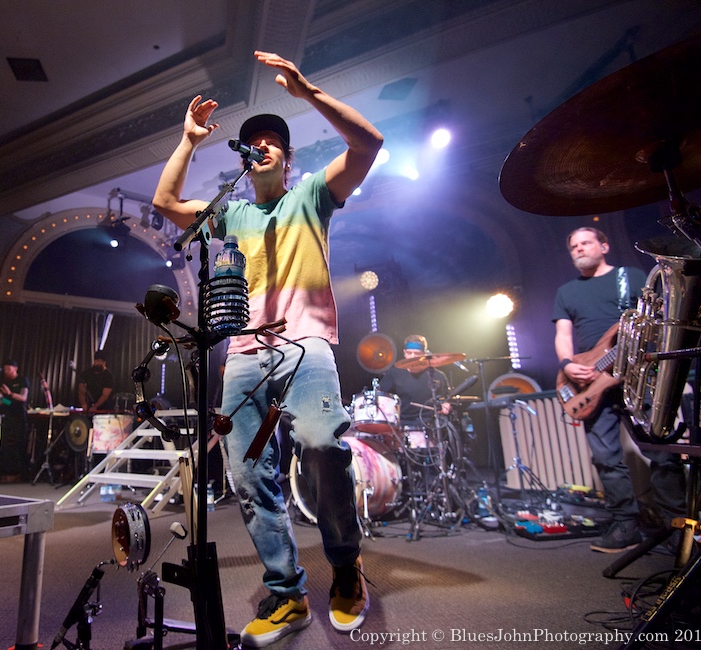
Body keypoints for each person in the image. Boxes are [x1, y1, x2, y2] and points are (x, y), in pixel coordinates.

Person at [152, 50, 383, 646]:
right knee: (248, 473)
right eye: (252, 140)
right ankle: (286, 595)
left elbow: (369, 144)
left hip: (307, 347)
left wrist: (308, 93)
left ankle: (346, 568)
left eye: (272, 141)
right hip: (246, 356)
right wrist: (187, 142)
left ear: (287, 155)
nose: (261, 146)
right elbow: (165, 206)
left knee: (320, 447)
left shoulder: (311, 196)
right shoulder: (230, 213)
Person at [553, 227, 685, 552]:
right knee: (606, 458)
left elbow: (654, 320)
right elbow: (563, 335)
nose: (579, 249)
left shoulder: (630, 276)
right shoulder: (566, 292)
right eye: (573, 246)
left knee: (661, 449)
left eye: (585, 242)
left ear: (604, 246)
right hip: (589, 381)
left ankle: (679, 527)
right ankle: (625, 526)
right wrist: (568, 365)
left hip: (638, 374)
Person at [380, 335, 452, 430]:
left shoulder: (437, 376)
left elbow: (447, 399)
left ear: (425, 354)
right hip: (402, 426)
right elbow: (381, 398)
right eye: (409, 353)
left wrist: (447, 404)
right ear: (404, 353)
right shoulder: (394, 374)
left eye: (417, 354)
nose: (412, 357)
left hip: (431, 425)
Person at [0, 359, 30, 481]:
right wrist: (0, 399)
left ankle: (22, 473)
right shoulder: (4, 382)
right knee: (6, 444)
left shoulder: (22, 380)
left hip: (20, 415)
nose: (6, 372)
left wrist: (10, 394)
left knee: (20, 443)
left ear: (15, 369)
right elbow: (7, 402)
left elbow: (23, 398)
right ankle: (6, 471)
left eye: (8, 369)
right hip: (8, 414)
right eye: (5, 370)